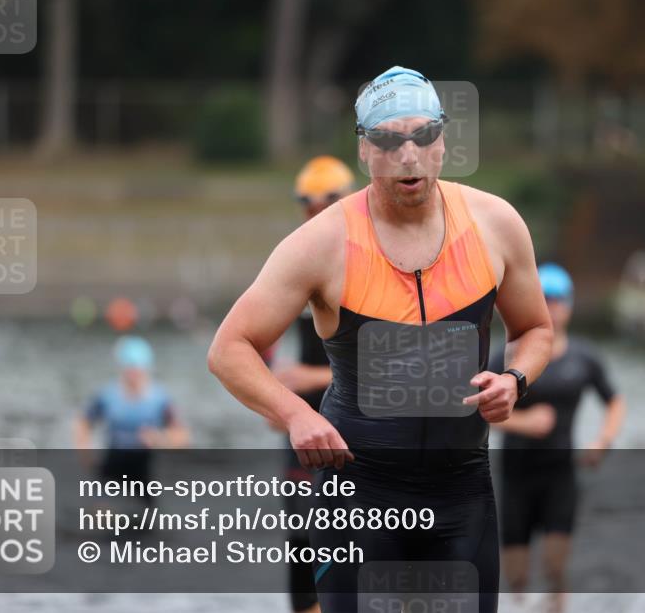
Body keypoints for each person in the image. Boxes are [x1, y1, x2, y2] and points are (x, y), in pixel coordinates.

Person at [208, 65, 554, 613]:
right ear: (364, 150)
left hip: (462, 494)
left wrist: (515, 378)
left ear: (443, 142)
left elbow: (535, 329)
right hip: (358, 496)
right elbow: (229, 348)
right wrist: (296, 414)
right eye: (389, 141)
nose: (408, 156)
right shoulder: (320, 243)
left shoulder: (496, 224)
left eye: (423, 136)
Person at [491, 263, 626, 613]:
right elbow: (476, 407)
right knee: (516, 579)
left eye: (558, 300)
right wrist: (524, 421)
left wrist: (602, 441)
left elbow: (615, 401)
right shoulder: (507, 355)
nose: (552, 307)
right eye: (545, 299)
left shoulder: (584, 358)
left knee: (555, 566)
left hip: (560, 473)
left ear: (569, 304)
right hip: (516, 475)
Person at [272, 156, 355, 613]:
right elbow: (257, 347)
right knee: (302, 538)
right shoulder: (297, 259)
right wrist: (275, 398)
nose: (316, 215)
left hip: (358, 426)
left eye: (326, 206)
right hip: (304, 427)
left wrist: (312, 377)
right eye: (308, 207)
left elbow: (399, 365)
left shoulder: (369, 263)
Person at [75, 335, 190, 503]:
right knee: (101, 511)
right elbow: (83, 422)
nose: (133, 374)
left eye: (137, 369)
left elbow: (182, 437)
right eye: (129, 369)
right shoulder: (108, 395)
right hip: (112, 464)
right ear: (122, 368)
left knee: (148, 513)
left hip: (143, 468)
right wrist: (85, 454)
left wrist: (160, 439)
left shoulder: (159, 399)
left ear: (146, 368)